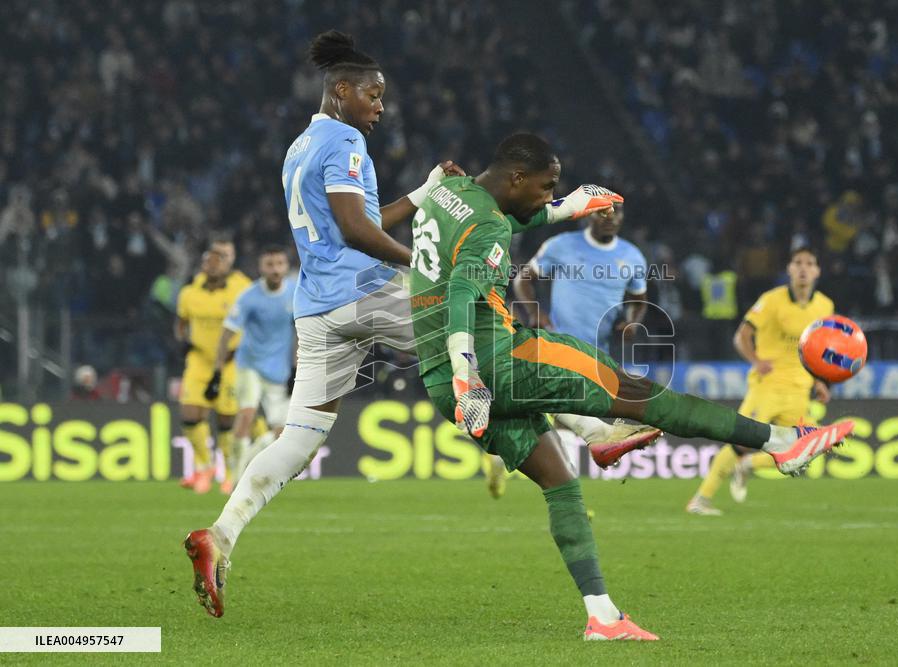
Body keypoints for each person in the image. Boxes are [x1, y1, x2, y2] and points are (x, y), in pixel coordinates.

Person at [184, 31, 661, 622]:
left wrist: (423, 192)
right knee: (493, 336)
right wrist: (424, 264)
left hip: (317, 306)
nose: (381, 106)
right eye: (374, 94)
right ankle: (595, 431)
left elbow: (352, 221)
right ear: (341, 90)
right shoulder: (348, 142)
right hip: (364, 290)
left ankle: (221, 534)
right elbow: (359, 233)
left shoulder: (300, 145)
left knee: (299, 438)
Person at [406, 133, 854, 640]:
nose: (548, 194)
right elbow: (466, 293)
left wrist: (573, 205)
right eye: (546, 186)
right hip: (500, 361)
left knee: (559, 482)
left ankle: (602, 615)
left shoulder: (453, 193)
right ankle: (780, 444)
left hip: (437, 379)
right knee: (643, 396)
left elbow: (521, 217)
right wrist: (471, 378)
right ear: (515, 177)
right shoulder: (487, 223)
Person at [503, 203, 658, 496]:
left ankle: (504, 462)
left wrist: (631, 323)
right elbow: (523, 278)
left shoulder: (632, 256)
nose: (610, 219)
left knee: (559, 420)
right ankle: (581, 467)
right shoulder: (561, 245)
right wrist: (536, 314)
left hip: (595, 352)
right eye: (603, 213)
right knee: (562, 408)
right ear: (590, 216)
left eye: (617, 214)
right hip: (556, 343)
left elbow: (639, 299)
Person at [686, 246, 834, 516]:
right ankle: (700, 499)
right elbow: (741, 336)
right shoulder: (771, 300)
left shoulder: (825, 306)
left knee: (813, 446)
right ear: (789, 269)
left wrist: (820, 380)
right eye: (797, 262)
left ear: (817, 271)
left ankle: (749, 466)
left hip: (799, 390)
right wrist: (756, 361)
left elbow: (814, 348)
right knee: (739, 441)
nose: (803, 268)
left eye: (809, 263)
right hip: (767, 386)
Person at [208, 245, 297, 493]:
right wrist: (217, 371)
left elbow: (300, 330)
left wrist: (296, 367)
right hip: (249, 365)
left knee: (281, 433)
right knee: (246, 414)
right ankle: (235, 479)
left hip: (278, 371)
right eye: (270, 265)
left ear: (286, 266)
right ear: (261, 268)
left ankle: (246, 461)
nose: (275, 270)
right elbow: (226, 334)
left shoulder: (294, 292)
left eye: (279, 264)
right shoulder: (249, 297)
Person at [175, 246, 252, 493]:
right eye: (208, 261)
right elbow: (181, 322)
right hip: (199, 360)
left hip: (230, 361)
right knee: (189, 415)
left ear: (227, 266)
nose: (213, 265)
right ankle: (205, 465)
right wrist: (182, 341)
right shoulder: (189, 293)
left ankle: (229, 473)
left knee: (226, 420)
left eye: (218, 261)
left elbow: (253, 320)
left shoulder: (239, 289)